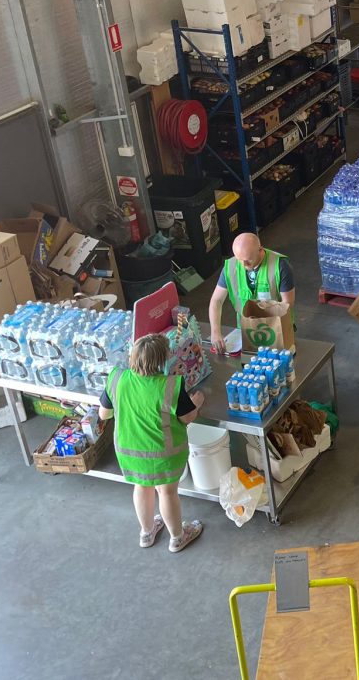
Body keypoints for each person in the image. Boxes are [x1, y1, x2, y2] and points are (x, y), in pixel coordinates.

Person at [98, 334, 205, 553]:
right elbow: (187, 418)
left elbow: (104, 414)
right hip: (163, 454)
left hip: (129, 452)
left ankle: (146, 533)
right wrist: (196, 403)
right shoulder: (170, 386)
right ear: (162, 360)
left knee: (141, 487)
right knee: (167, 492)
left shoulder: (117, 379)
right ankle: (177, 537)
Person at [209, 232, 295, 353]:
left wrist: (270, 330)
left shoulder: (280, 266)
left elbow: (288, 303)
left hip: (276, 329)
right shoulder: (230, 267)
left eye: (248, 260)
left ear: (260, 250)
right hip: (247, 330)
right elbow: (216, 300)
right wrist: (215, 332)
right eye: (239, 259)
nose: (244, 265)